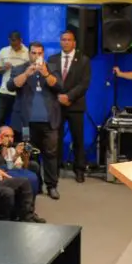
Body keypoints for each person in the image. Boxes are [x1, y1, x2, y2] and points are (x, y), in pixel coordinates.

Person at [12, 41, 63, 198]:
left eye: (39, 53)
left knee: (51, 154)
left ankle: (52, 186)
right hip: (28, 122)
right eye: (33, 53)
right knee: (30, 155)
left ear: (43, 54)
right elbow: (11, 85)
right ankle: (36, 185)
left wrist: (46, 73)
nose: (36, 56)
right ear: (29, 54)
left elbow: (60, 87)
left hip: (49, 121)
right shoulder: (20, 68)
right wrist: (27, 73)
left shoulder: (53, 68)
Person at [49, 29, 91, 183]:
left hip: (76, 105)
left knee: (78, 139)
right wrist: (59, 97)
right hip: (57, 105)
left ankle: (79, 169)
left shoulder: (84, 60)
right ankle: (56, 168)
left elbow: (84, 83)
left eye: (68, 40)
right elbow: (50, 81)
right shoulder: (52, 59)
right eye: (63, 39)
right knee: (55, 139)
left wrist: (69, 97)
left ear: (74, 42)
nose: (65, 42)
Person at [0, 108, 41, 198]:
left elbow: (2, 159)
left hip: (3, 166)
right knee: (28, 179)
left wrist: (13, 151)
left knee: (32, 175)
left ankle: (28, 206)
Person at [0, 125, 42, 198]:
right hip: (6, 174)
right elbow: (8, 167)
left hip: (17, 172)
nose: (10, 139)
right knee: (30, 177)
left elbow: (24, 168)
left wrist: (25, 156)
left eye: (12, 136)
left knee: (33, 166)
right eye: (6, 136)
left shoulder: (12, 149)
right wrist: (16, 155)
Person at [0, 31, 27, 130]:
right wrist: (4, 68)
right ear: (9, 41)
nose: (14, 47)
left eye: (16, 45)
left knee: (21, 121)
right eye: (12, 44)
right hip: (4, 91)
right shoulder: (3, 51)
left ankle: (20, 142)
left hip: (21, 93)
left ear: (21, 40)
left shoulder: (28, 52)